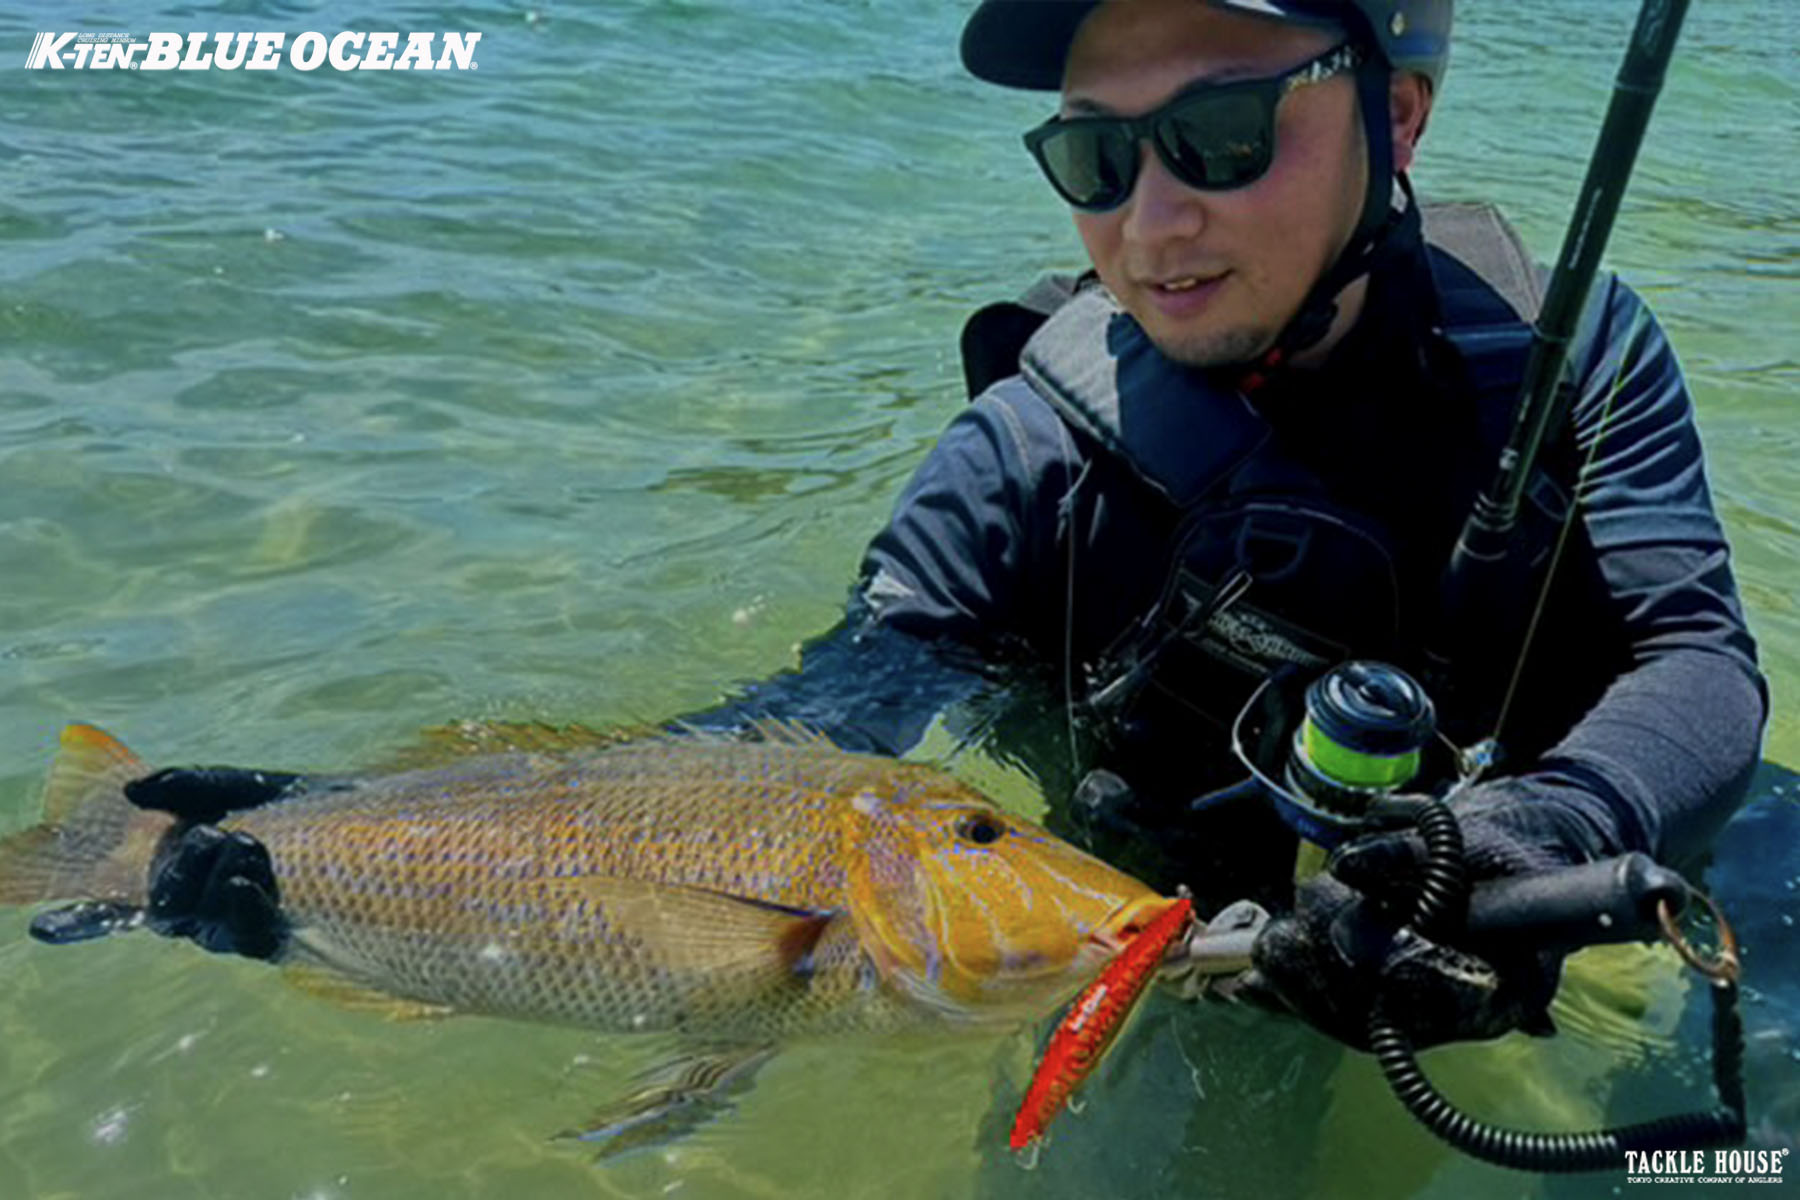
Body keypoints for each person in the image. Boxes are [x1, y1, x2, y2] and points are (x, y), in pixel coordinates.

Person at [126, 0, 1765, 1054]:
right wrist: (348, 843)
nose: (1153, 218)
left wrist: (1536, 833)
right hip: (1138, 921)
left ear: (1397, 120)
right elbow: (793, 743)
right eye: (1095, 154)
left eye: (1215, 136)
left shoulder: (1568, 354)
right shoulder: (1029, 448)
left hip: (1544, 850)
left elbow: (1700, 660)